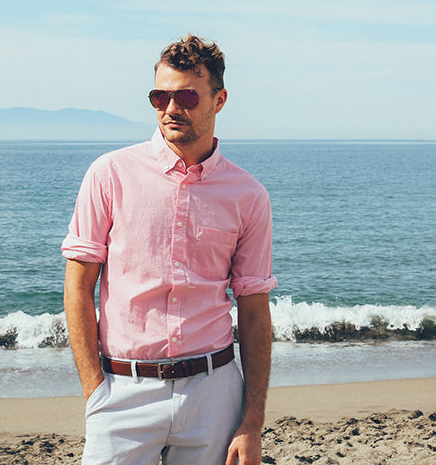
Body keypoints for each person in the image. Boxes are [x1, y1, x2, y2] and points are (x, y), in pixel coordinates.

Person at [62, 34, 276, 465]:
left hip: (213, 393)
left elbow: (253, 308)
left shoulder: (248, 195)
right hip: (122, 391)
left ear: (219, 101)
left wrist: (252, 421)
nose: (171, 108)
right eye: (160, 96)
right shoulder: (110, 174)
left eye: (186, 96)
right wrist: (94, 392)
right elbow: (78, 287)